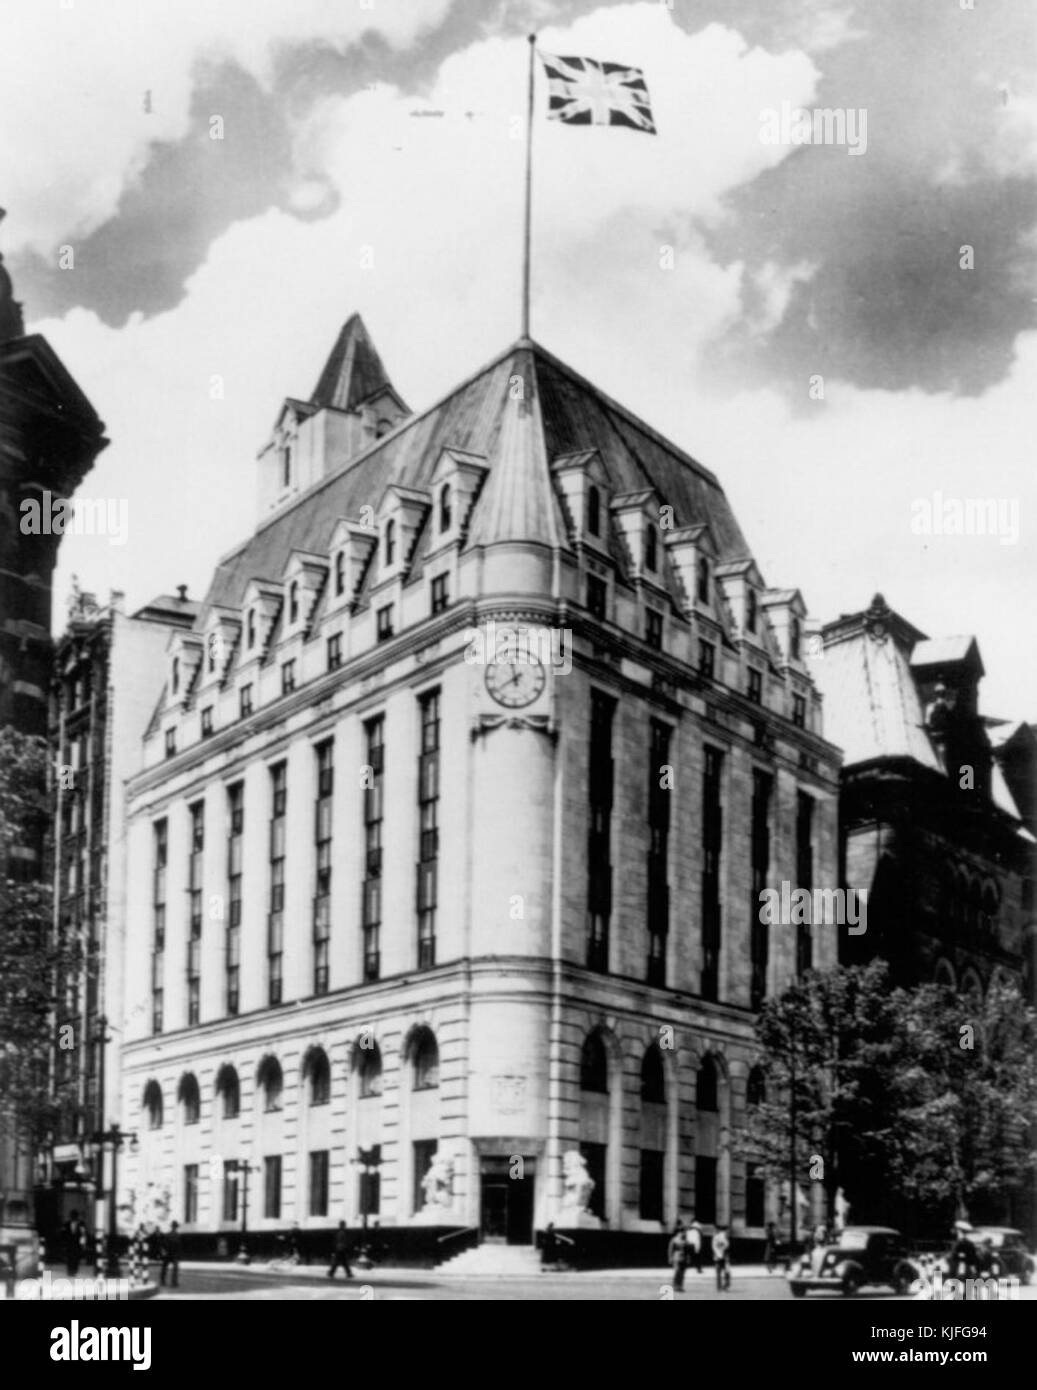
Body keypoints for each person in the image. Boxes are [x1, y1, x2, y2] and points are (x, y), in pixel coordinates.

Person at [62, 1210, 86, 1277]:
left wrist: (82, 1244)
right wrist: (64, 1244)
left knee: (76, 1258)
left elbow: (83, 1234)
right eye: (72, 1216)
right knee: (69, 1258)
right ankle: (69, 1271)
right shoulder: (66, 1224)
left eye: (74, 1216)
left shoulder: (81, 1224)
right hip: (69, 1244)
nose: (73, 1217)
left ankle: (74, 1271)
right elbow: (63, 1234)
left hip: (77, 1244)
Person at [667, 1222, 688, 1292]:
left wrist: (688, 1258)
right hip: (676, 1258)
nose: (683, 1233)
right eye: (682, 1231)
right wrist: (670, 1258)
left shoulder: (685, 1240)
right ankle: (675, 1285)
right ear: (678, 1232)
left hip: (684, 1258)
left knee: (682, 1273)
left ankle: (680, 1286)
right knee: (677, 1272)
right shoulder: (674, 1239)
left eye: (684, 1231)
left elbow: (687, 1250)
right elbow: (670, 1249)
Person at [160, 1220, 181, 1288]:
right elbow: (179, 1246)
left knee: (164, 1268)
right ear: (175, 1227)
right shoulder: (178, 1235)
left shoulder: (167, 1235)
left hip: (168, 1254)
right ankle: (174, 1282)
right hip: (174, 1254)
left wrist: (164, 1252)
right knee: (175, 1269)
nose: (174, 1228)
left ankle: (162, 1281)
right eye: (175, 1227)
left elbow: (163, 1244)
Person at [712, 1225, 731, 1291]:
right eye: (728, 1231)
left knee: (720, 1272)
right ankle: (724, 1286)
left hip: (719, 1256)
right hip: (722, 1256)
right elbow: (724, 1246)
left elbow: (714, 1247)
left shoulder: (716, 1237)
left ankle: (720, 1286)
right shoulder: (721, 1237)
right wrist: (721, 1253)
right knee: (725, 1272)